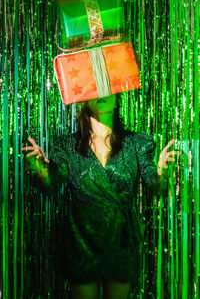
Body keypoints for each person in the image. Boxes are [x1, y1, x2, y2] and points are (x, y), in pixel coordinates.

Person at [21, 94, 180, 299]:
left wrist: (162, 171)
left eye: (108, 90)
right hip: (82, 243)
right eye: (95, 90)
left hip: (121, 243)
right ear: (85, 99)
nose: (102, 94)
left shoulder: (137, 143)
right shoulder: (68, 145)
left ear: (117, 100)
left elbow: (155, 187)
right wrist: (40, 168)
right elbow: (52, 186)